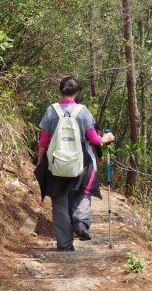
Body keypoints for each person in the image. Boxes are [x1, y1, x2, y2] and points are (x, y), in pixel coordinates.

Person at [34, 76, 114, 252]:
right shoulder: (83, 112)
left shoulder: (51, 111)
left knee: (59, 202)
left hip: (56, 165)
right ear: (77, 93)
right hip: (79, 164)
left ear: (59, 92)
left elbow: (44, 140)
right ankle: (80, 223)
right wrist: (106, 139)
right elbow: (94, 139)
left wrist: (40, 161)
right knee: (82, 194)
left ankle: (64, 245)